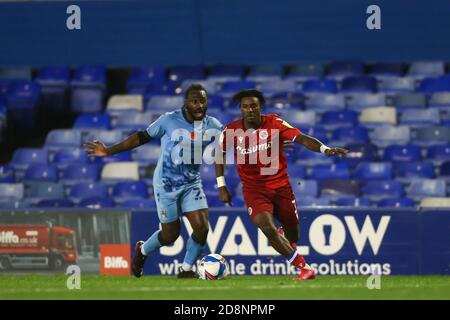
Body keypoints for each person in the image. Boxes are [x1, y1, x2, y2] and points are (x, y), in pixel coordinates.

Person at [84, 84, 223, 278]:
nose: (200, 105)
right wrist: (109, 151)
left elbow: (231, 143)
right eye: (195, 101)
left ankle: (186, 270)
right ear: (186, 103)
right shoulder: (168, 120)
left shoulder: (213, 125)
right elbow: (140, 138)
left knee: (202, 228)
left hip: (191, 183)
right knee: (170, 236)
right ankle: (142, 250)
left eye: (203, 101)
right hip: (166, 184)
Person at [215, 89, 348, 280]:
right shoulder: (230, 131)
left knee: (293, 236)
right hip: (254, 190)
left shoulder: (275, 123)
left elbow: (301, 138)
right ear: (241, 109)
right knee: (265, 226)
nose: (250, 110)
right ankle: (304, 268)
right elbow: (219, 156)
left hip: (281, 187)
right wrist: (221, 186)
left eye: (253, 105)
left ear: (260, 106)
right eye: (245, 107)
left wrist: (325, 149)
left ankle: (283, 235)